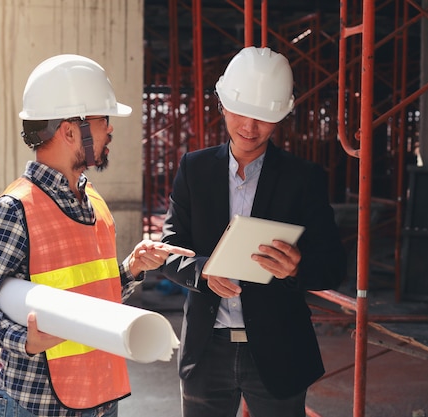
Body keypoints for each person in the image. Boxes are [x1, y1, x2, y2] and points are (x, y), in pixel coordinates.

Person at [0, 54, 194, 417]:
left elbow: (90, 296)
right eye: (103, 120)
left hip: (99, 398)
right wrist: (24, 341)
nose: (110, 130)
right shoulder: (14, 209)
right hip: (36, 406)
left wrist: (130, 269)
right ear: (68, 130)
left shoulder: (91, 199)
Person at [159, 46, 348, 417]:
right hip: (206, 351)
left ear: (280, 118)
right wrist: (202, 271)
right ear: (223, 105)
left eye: (263, 118)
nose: (249, 127)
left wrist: (297, 268)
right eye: (241, 113)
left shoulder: (303, 180)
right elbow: (168, 250)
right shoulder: (194, 170)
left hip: (279, 350)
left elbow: (333, 266)